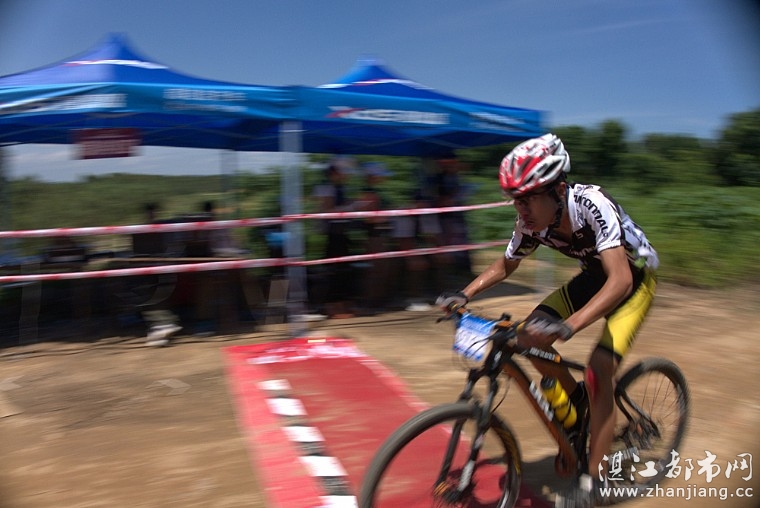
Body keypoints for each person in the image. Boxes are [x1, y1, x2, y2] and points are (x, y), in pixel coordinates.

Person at [437, 134, 659, 507]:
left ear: (557, 190)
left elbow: (620, 280)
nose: (519, 208)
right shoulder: (531, 223)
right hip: (594, 277)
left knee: (599, 370)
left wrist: (570, 325)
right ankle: (578, 407)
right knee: (526, 338)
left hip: (633, 280)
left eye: (526, 199)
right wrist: (466, 293)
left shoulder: (591, 204)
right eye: (515, 199)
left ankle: (595, 480)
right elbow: (506, 264)